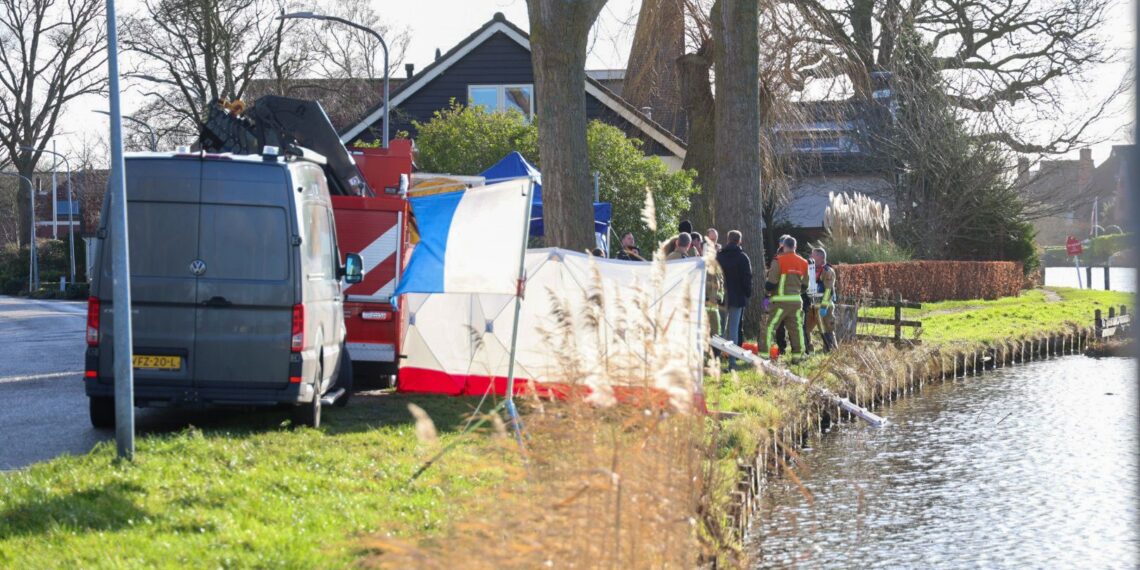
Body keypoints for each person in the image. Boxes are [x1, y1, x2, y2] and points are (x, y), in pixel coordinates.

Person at [764, 235, 809, 360]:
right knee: (796, 330)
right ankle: (798, 357)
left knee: (770, 328)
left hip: (779, 301)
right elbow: (805, 285)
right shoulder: (803, 262)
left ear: (783, 247)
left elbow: (771, 283)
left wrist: (766, 293)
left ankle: (763, 356)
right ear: (795, 247)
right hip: (796, 302)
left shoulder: (778, 260)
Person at [716, 230, 752, 369]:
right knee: (733, 330)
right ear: (739, 241)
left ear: (727, 239)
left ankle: (716, 359)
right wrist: (747, 293)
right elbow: (747, 278)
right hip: (737, 297)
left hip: (721, 298)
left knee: (720, 329)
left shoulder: (719, 257)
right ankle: (732, 362)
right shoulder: (743, 257)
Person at [805, 246, 838, 352]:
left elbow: (829, 290)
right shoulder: (810, 270)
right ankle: (808, 350)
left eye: (812, 255)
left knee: (827, 330)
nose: (810, 257)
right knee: (805, 329)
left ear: (820, 258)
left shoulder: (828, 271)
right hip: (811, 306)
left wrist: (824, 307)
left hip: (825, 307)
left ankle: (830, 351)